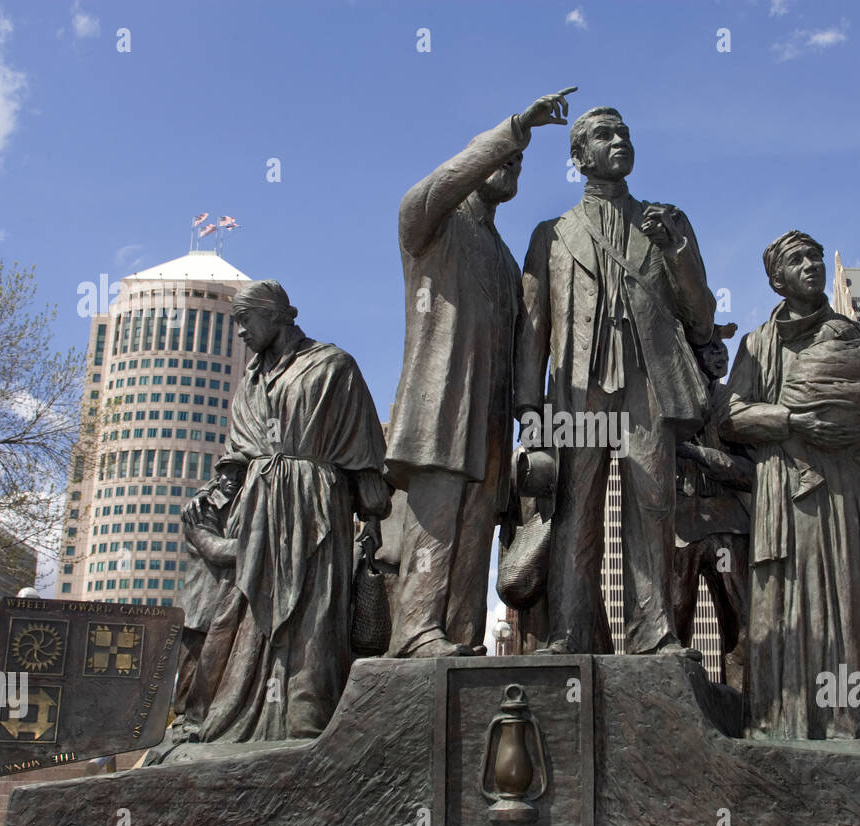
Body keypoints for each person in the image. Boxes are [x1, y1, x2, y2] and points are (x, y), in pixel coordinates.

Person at [384, 88, 576, 658]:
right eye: (501, 158)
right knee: (438, 520)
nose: (511, 166)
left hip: (489, 415)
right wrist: (514, 129)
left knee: (476, 527)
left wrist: (528, 420)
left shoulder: (501, 253)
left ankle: (461, 637)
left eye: (518, 163)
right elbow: (431, 189)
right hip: (442, 402)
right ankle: (416, 632)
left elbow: (525, 348)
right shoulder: (432, 225)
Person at [516, 106, 714, 656]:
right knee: (576, 509)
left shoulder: (665, 221)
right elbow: (534, 329)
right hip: (581, 392)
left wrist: (677, 253)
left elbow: (699, 315)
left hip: (647, 387)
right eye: (604, 135)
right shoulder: (551, 235)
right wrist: (530, 412)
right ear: (579, 157)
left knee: (653, 507)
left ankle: (653, 634)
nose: (619, 140)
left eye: (624, 132)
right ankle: (570, 633)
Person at [718, 230, 860, 740]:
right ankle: (789, 720)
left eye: (816, 257)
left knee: (852, 592)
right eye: (797, 260)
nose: (810, 265)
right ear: (777, 279)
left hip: (851, 483)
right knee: (796, 597)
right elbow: (729, 418)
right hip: (789, 485)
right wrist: (793, 422)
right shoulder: (758, 344)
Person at [188, 279, 389, 742]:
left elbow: (362, 452)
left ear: (275, 315)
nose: (239, 332)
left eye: (244, 321)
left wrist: (373, 513)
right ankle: (228, 712)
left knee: (314, 609)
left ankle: (305, 712)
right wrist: (214, 497)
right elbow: (236, 459)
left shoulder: (332, 365)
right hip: (256, 511)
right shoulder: (251, 379)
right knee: (237, 610)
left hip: (314, 504)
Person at [673, 323, 752, 687]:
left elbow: (750, 472)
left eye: (722, 348)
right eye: (710, 348)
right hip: (682, 528)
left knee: (740, 625)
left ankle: (746, 708)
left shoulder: (734, 405)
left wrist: (702, 456)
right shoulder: (671, 406)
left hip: (729, 526)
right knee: (675, 625)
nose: (719, 354)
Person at [171, 453, 245, 741]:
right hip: (201, 601)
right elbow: (214, 549)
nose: (232, 480)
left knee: (217, 668)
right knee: (193, 667)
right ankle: (183, 722)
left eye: (239, 475)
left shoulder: (241, 507)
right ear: (217, 476)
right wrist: (261, 541)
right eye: (227, 474)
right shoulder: (199, 509)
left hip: (226, 602)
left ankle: (203, 719)